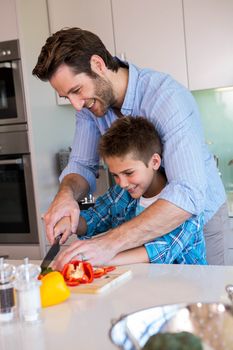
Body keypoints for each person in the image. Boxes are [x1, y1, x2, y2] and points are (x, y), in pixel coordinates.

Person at [32, 27, 229, 266]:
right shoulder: (89, 108)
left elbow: (187, 195)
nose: (75, 104)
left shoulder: (166, 98)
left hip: (200, 219)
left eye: (76, 90)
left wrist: (108, 245)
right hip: (141, 230)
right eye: (67, 97)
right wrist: (66, 197)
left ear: (98, 64)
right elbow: (82, 165)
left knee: (207, 296)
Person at [53, 117, 207, 270]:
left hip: (186, 286)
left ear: (154, 162)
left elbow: (159, 252)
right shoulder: (121, 194)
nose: (123, 183)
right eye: (115, 175)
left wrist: (96, 257)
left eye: (129, 172)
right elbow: (94, 216)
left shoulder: (184, 206)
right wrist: (71, 222)